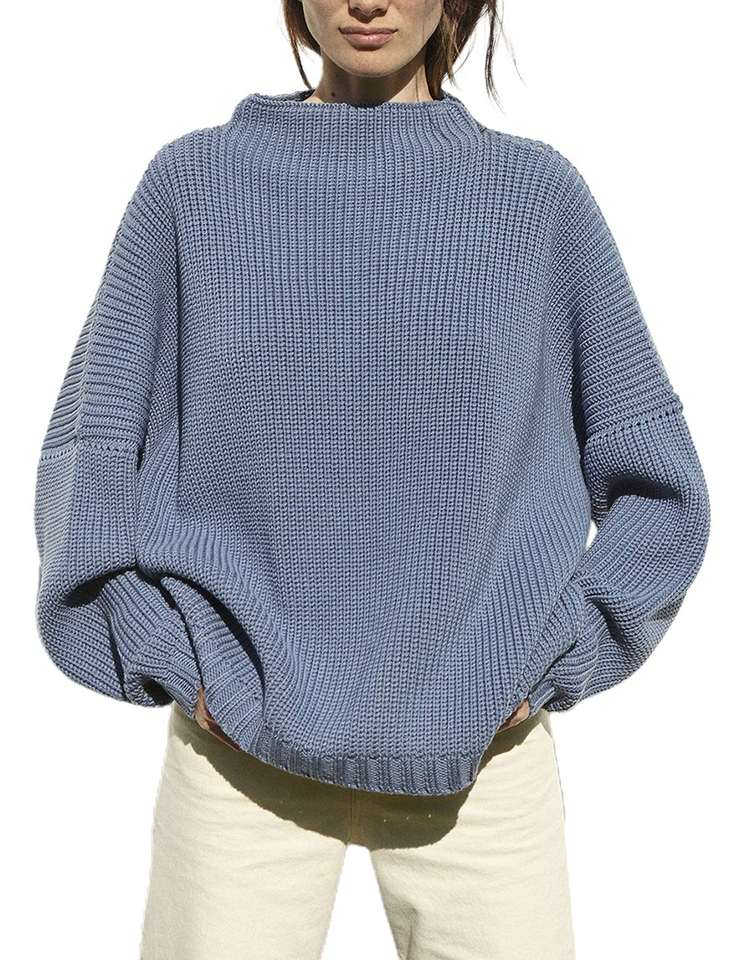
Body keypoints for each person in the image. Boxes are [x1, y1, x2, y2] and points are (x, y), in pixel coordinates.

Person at [32, 2, 711, 958]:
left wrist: (549, 656)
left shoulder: (535, 201)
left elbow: (658, 484)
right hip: (235, 762)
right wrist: (167, 652)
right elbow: (91, 450)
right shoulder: (194, 188)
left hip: (483, 763)